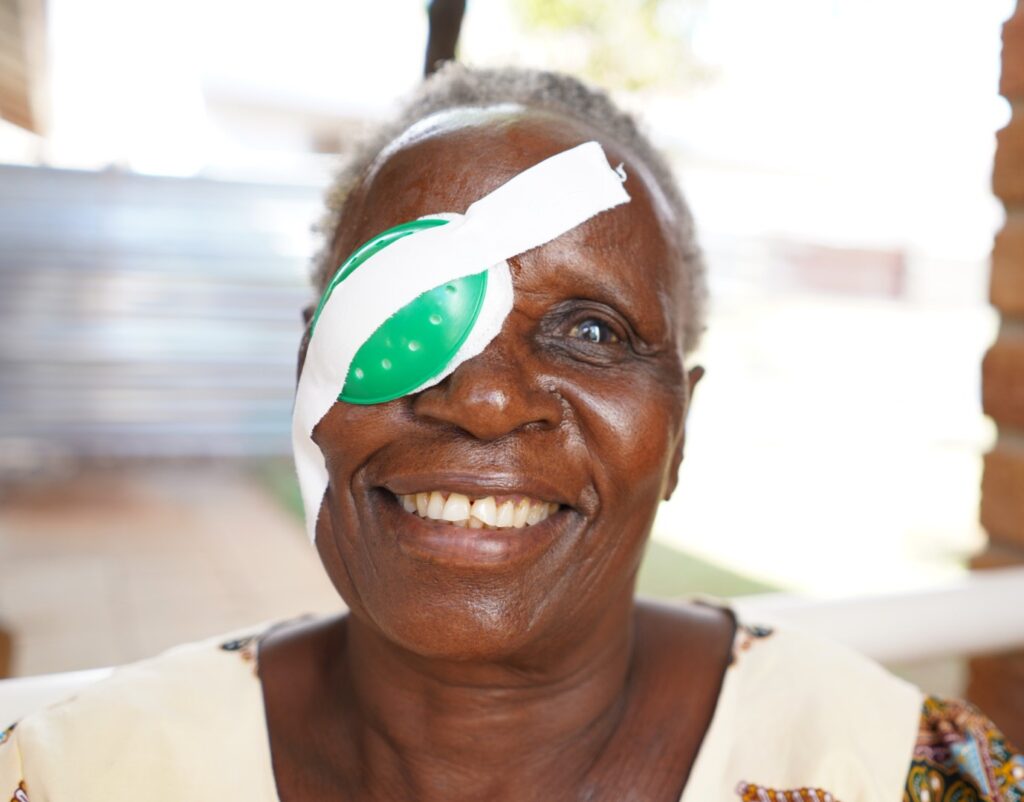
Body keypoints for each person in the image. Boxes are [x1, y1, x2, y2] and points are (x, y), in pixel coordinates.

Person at [2, 64, 1022, 802]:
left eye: (590, 329)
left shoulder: (894, 768)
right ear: (307, 377)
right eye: (406, 320)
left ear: (681, 430)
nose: (483, 401)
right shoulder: (80, 772)